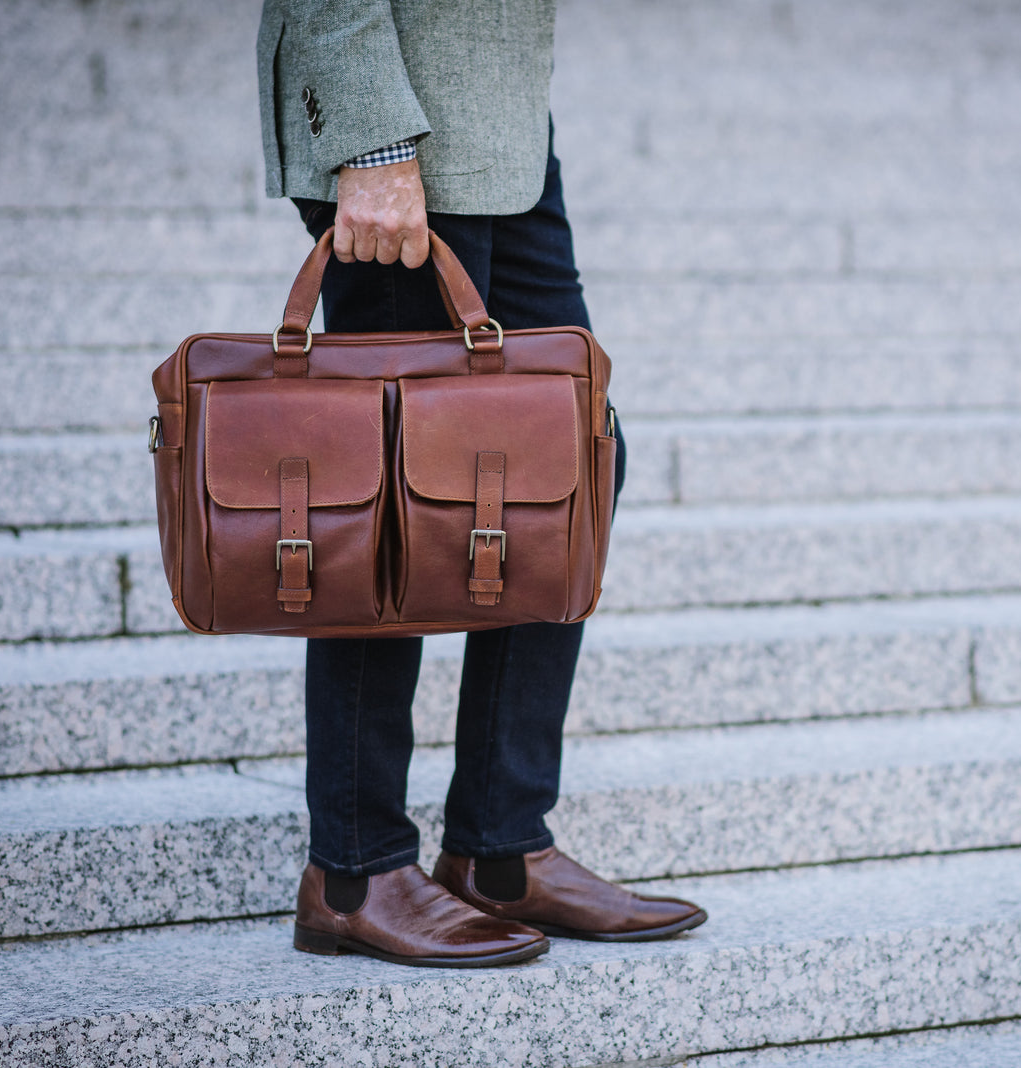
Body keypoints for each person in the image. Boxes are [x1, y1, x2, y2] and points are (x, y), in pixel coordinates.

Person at [255, 0, 707, 968]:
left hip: (502, 130)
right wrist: (370, 140)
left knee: (572, 462)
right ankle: (353, 870)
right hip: (400, 128)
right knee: (383, 504)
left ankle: (499, 848)